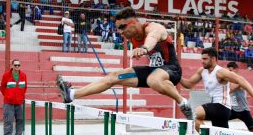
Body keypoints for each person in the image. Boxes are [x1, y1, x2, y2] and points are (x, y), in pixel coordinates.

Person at [57, 7, 193, 119]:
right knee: (113, 77)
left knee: (153, 80)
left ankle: (182, 102)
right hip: (154, 72)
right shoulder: (132, 37)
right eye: (118, 28)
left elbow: (153, 37)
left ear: (133, 23)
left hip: (172, 69)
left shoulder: (153, 27)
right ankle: (72, 94)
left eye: (122, 27)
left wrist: (144, 48)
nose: (120, 32)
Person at [180, 47, 253, 131]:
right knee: (217, 130)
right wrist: (177, 75)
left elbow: (240, 79)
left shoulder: (220, 72)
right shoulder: (202, 71)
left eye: (205, 59)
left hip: (222, 107)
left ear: (213, 59)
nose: (202, 61)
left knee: (192, 111)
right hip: (213, 107)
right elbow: (188, 84)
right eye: (202, 59)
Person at [227, 62, 253, 132]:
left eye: (231, 71)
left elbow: (230, 89)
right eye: (228, 71)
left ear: (236, 70)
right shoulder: (229, 81)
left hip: (243, 110)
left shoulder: (240, 80)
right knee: (220, 119)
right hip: (233, 109)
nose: (229, 73)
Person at [0, 59, 27, 135]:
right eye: (15, 65)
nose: (17, 67)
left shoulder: (23, 75)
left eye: (18, 65)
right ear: (12, 65)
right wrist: (8, 96)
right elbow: (2, 87)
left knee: (20, 121)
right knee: (8, 122)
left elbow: (24, 87)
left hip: (19, 103)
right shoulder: (6, 75)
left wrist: (20, 97)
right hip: (9, 103)